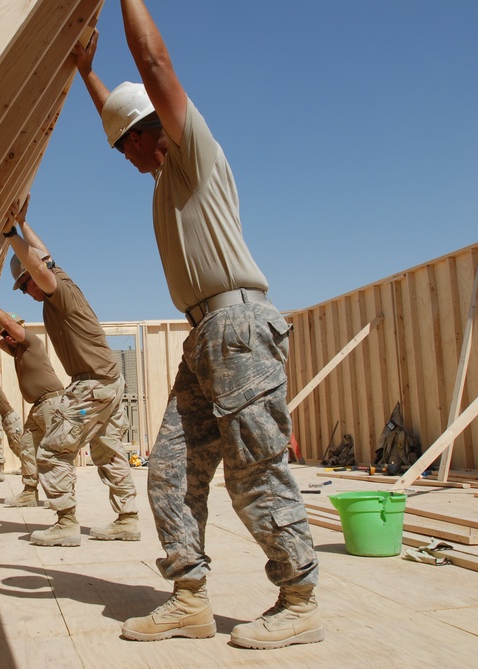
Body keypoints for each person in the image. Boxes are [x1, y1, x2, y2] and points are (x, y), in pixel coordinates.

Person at [70, 0, 323, 649]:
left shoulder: (191, 150)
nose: (124, 157)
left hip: (238, 327)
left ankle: (299, 599)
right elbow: (121, 115)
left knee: (255, 471)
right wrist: (84, 74)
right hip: (205, 338)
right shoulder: (162, 179)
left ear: (153, 130)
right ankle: (190, 599)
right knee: (169, 473)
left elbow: (154, 64)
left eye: (127, 143)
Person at [3, 196, 139, 547]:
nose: (26, 292)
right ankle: (128, 519)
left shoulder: (56, 290)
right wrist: (23, 225)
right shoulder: (59, 283)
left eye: (24, 284)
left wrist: (8, 233)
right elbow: (44, 255)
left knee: (51, 449)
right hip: (108, 383)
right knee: (108, 449)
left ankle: (65, 524)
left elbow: (41, 266)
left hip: (91, 388)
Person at [0, 298, 65, 508]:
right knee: (26, 446)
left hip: (52, 402)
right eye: (6, 334)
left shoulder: (31, 342)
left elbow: (8, 326)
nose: (8, 336)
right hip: (38, 407)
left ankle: (61, 498)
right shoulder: (16, 351)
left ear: (21, 329)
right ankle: (29, 492)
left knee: (55, 451)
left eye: (12, 331)